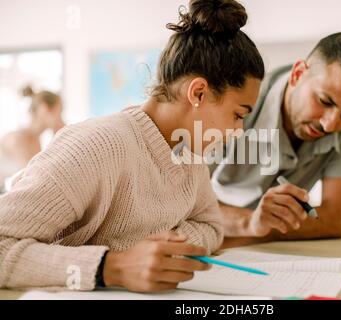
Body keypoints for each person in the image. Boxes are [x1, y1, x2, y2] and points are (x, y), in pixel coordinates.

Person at [0, 0, 264, 292]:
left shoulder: (187, 153)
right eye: (238, 115)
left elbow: (211, 228)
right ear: (198, 93)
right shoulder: (95, 147)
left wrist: (158, 249)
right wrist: (112, 266)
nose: (238, 132)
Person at [210, 32, 341, 247]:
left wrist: (258, 231)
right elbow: (180, 206)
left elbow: (339, 219)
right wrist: (250, 222)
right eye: (324, 101)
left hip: (243, 243)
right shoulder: (239, 101)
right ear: (298, 74)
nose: (330, 125)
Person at [0, 86, 65, 168]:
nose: (61, 119)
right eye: (60, 111)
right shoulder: (19, 139)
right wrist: (60, 138)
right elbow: (36, 175)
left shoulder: (35, 140)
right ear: (44, 109)